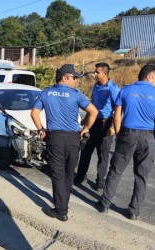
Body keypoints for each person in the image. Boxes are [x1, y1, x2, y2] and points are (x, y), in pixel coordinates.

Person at [96, 64, 155, 220]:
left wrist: (118, 133)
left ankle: (104, 204)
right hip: (148, 138)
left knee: (116, 170)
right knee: (142, 175)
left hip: (127, 135)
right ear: (149, 77)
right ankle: (133, 211)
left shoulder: (125, 90)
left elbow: (117, 116)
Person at [31, 64, 98, 222]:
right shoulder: (76, 94)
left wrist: (41, 129)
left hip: (55, 137)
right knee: (68, 173)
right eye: (74, 78)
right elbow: (94, 111)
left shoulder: (46, 93)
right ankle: (63, 203)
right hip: (74, 138)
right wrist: (85, 129)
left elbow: (34, 113)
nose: (76, 81)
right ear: (65, 77)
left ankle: (61, 210)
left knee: (58, 174)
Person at [74, 63, 120, 190]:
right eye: (95, 72)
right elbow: (93, 105)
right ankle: (80, 176)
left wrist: (113, 127)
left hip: (106, 123)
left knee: (103, 154)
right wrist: (86, 119)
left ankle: (100, 181)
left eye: (97, 72)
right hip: (94, 122)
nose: (95, 74)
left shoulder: (113, 88)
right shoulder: (96, 86)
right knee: (86, 150)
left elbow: (119, 108)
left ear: (105, 74)